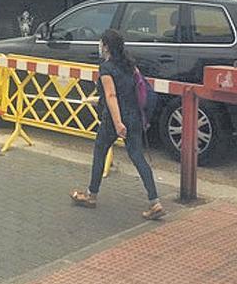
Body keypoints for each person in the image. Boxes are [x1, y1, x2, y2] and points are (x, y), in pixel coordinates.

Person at [70, 29, 166, 220]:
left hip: (115, 119)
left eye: (101, 43)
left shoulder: (106, 68)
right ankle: (155, 202)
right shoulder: (130, 65)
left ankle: (92, 195)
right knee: (138, 157)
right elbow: (133, 91)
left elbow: (112, 96)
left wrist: (117, 123)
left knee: (100, 151)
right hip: (135, 116)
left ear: (106, 46)